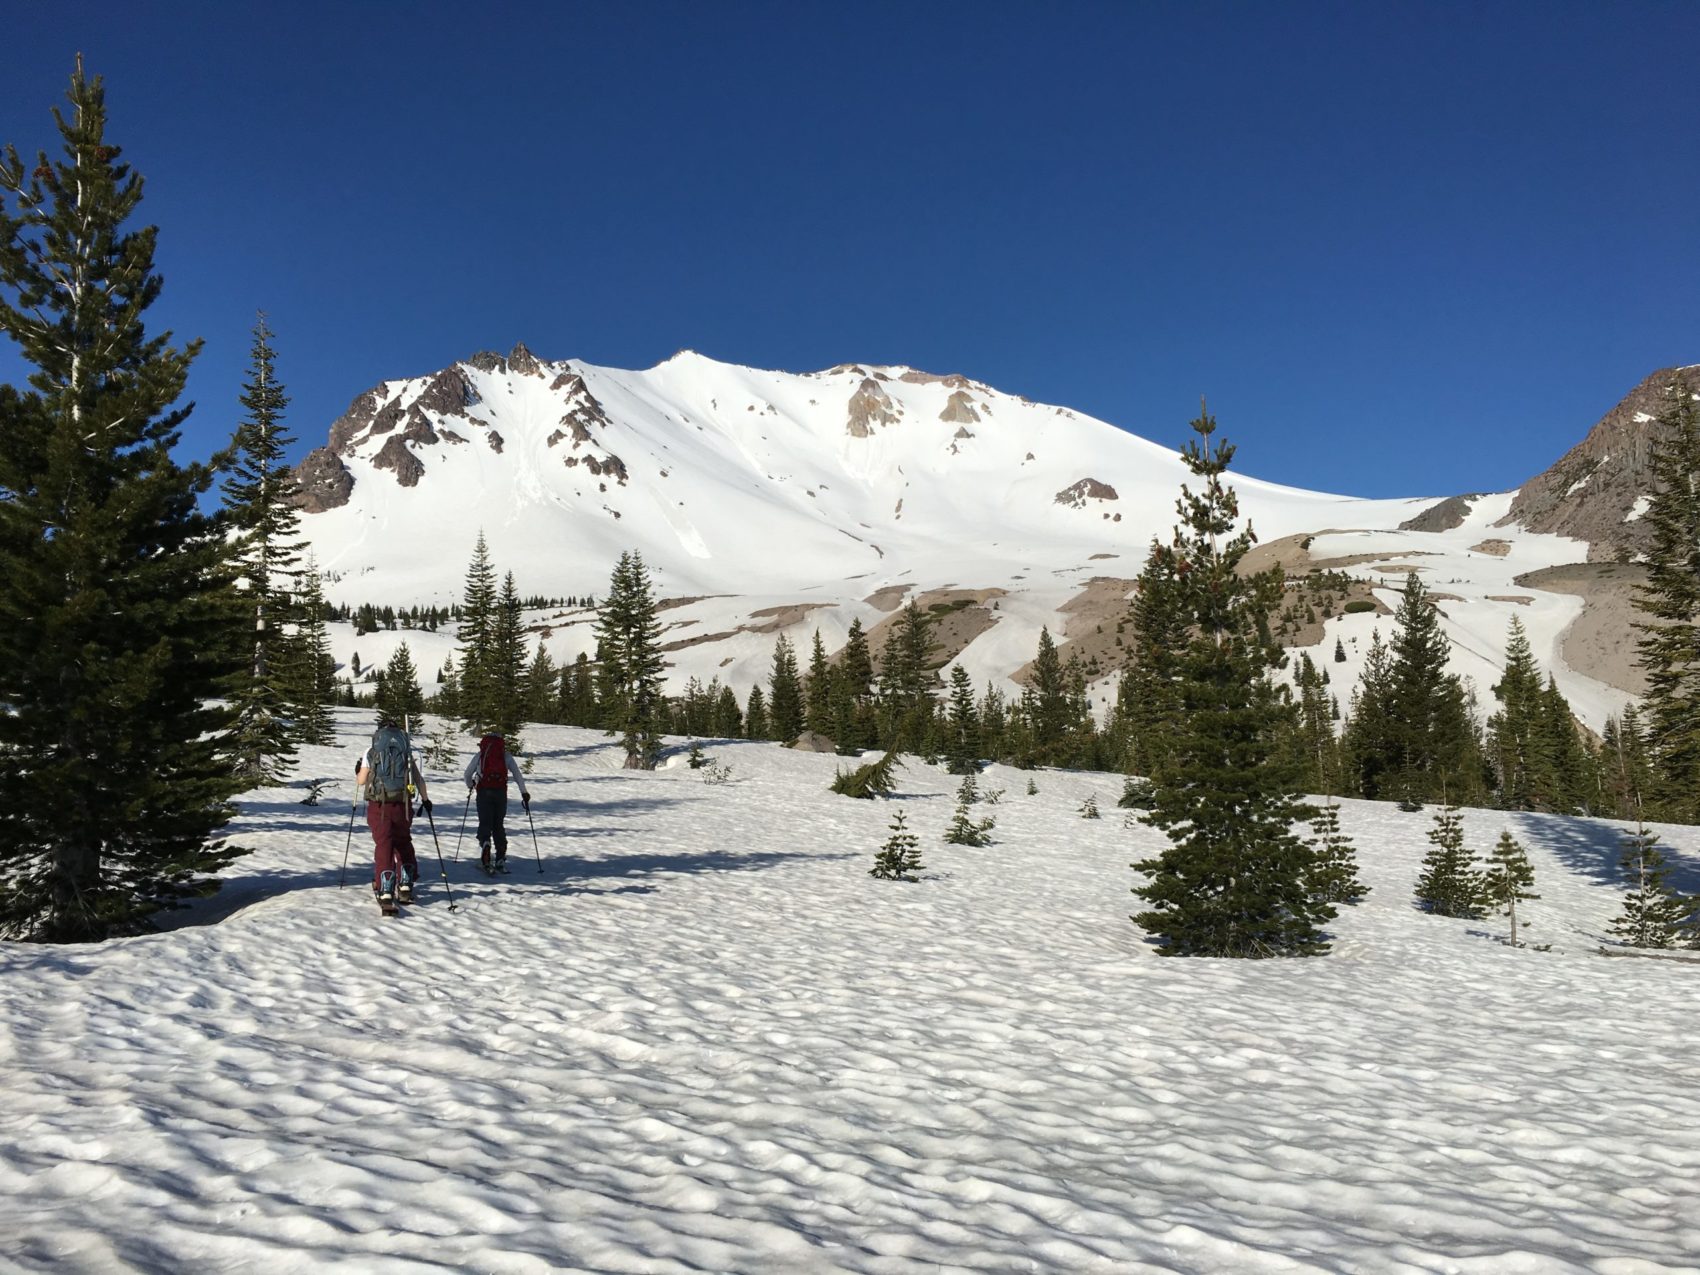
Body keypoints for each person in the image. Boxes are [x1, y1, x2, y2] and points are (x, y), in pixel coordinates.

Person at [356, 713, 432, 909]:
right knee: (403, 842)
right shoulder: (405, 749)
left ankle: (386, 887)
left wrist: (359, 769)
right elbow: (418, 778)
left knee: (384, 844)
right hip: (403, 804)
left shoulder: (371, 750)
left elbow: (362, 781)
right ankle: (406, 884)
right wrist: (426, 799)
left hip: (379, 804)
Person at [464, 729, 529, 874]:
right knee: (498, 824)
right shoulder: (505, 755)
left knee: (485, 823)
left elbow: (467, 773)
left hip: (483, 792)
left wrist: (471, 785)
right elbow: (517, 775)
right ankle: (500, 857)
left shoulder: (481, 755)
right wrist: (524, 792)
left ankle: (485, 847)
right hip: (500, 794)